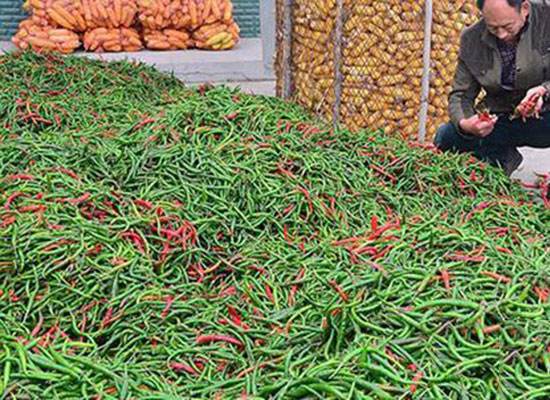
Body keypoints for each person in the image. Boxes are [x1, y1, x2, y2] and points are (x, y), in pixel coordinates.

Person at [434, 0, 550, 176]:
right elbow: (461, 95)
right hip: (504, 117)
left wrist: (543, 90)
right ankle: (500, 158)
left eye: (507, 26)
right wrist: (466, 124)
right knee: (446, 136)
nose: (501, 35)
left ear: (524, 8)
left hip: (546, 114)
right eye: (493, 28)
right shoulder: (472, 39)